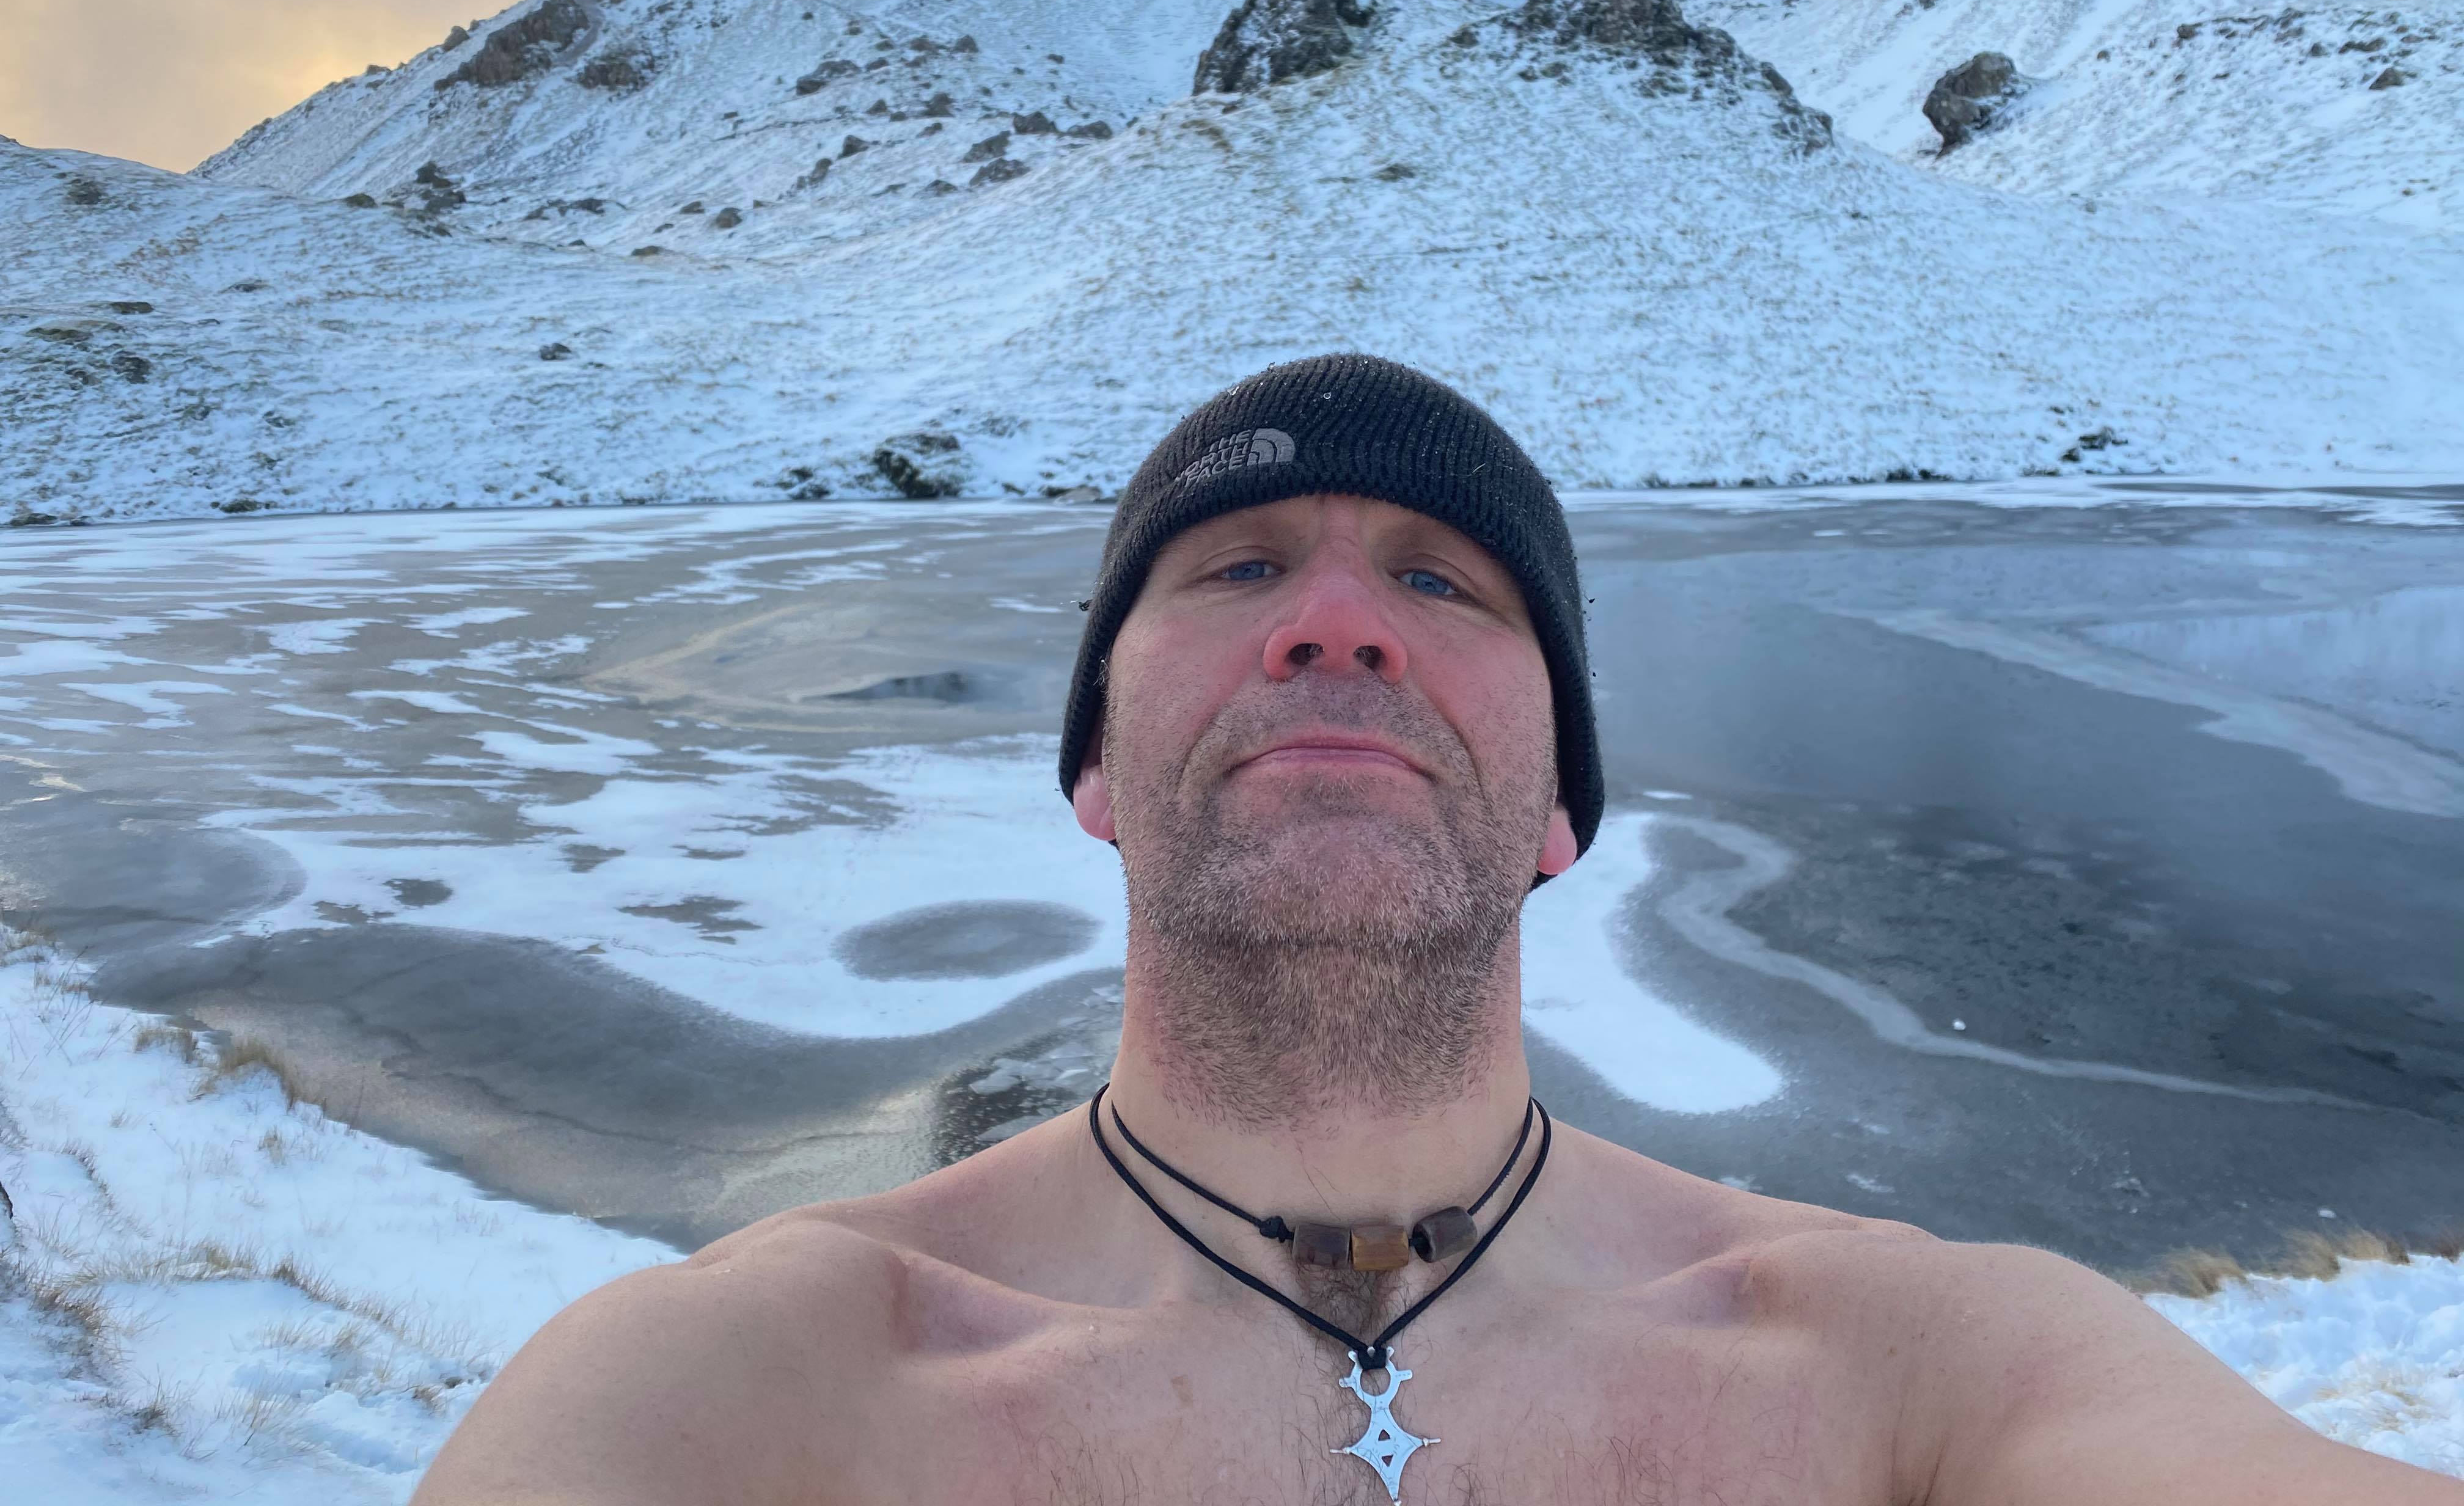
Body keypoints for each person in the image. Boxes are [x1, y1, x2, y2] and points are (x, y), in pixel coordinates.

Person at [414, 355, 2460, 1505]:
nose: (1336, 620)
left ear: (1564, 807)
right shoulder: (754, 1392)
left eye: (1446, 586)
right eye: (1232, 569)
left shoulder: (1918, 1372)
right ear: (1099, 773)